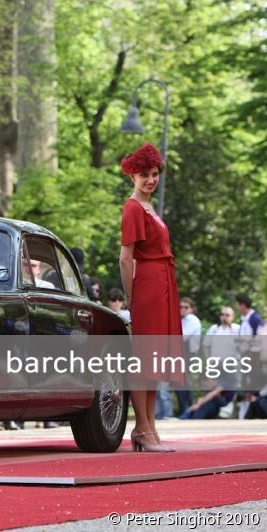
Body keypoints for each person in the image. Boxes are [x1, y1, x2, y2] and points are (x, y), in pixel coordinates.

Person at [119, 142, 181, 452]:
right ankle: (141, 428)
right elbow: (125, 258)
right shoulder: (133, 208)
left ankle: (150, 428)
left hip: (161, 284)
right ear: (133, 176)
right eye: (144, 174)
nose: (151, 180)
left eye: (154, 174)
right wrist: (131, 297)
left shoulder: (149, 207)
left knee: (155, 358)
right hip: (147, 286)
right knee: (145, 358)